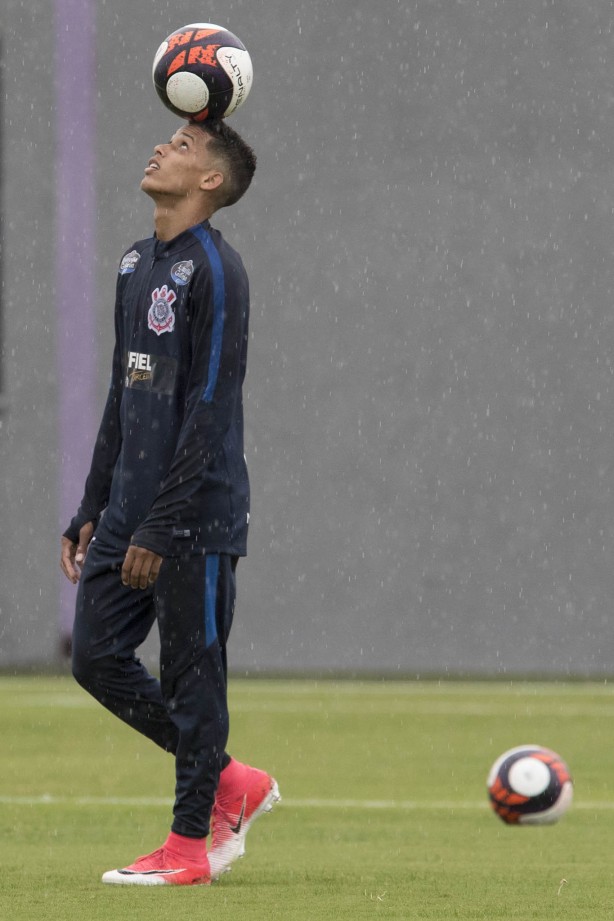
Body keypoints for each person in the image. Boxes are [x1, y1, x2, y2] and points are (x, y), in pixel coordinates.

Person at [60, 118, 280, 886]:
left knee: (194, 675)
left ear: (211, 181)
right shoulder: (133, 262)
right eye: (167, 139)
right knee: (94, 656)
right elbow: (128, 392)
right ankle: (230, 780)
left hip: (195, 513)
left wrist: (163, 518)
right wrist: (93, 501)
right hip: (127, 509)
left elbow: (209, 405)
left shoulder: (219, 271)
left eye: (184, 147)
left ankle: (190, 848)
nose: (161, 147)